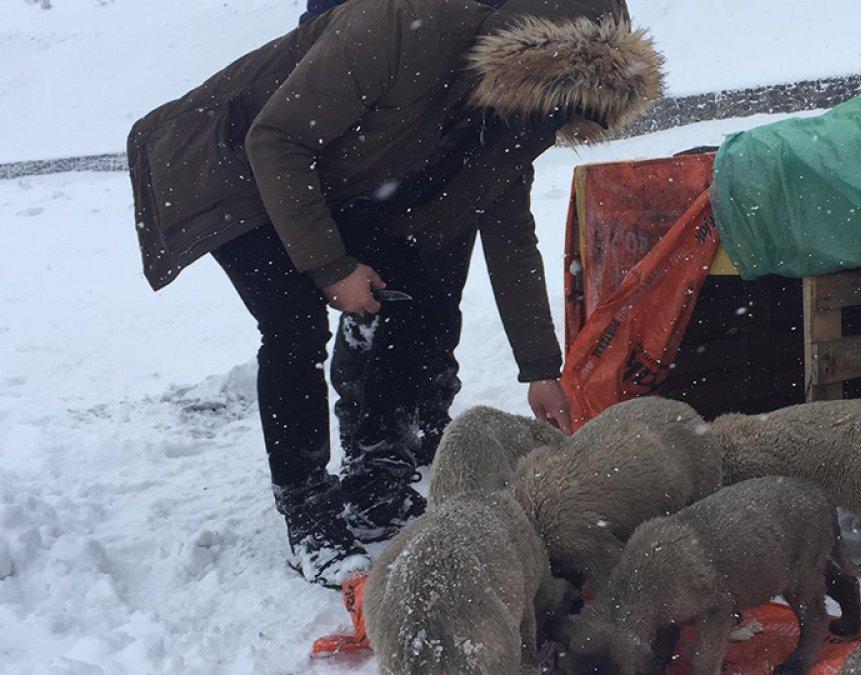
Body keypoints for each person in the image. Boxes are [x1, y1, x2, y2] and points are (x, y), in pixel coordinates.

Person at [127, 0, 662, 587]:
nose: (549, 123)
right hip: (227, 159)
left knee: (422, 296)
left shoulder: (519, 112)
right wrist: (332, 268)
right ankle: (306, 508)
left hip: (319, 171)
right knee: (293, 325)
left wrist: (539, 369)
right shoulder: (401, 24)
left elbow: (510, 238)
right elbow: (276, 140)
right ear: (530, 53)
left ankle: (375, 474)